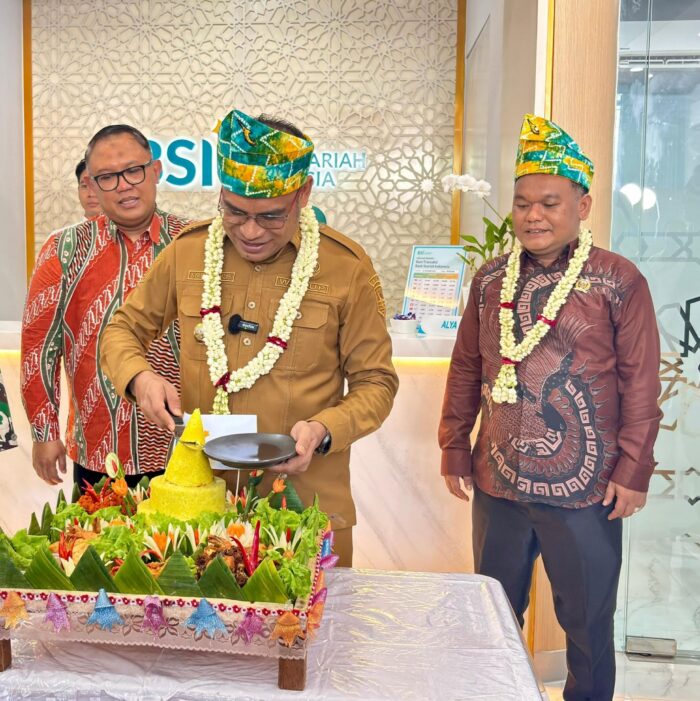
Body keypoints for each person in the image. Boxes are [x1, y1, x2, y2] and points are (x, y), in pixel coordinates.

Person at [100, 109, 398, 566]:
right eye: (235, 212)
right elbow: (122, 330)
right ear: (221, 193)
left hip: (307, 508)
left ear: (303, 194)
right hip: (202, 510)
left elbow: (376, 383)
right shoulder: (188, 252)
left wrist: (323, 431)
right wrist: (140, 378)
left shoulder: (345, 268)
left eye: (271, 216)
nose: (251, 231)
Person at [439, 115, 662, 701]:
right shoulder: (490, 280)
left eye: (549, 203)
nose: (532, 215)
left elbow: (641, 384)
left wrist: (634, 469)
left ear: (582, 206)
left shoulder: (618, 281)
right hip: (498, 484)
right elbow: (466, 369)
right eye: (522, 204)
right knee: (492, 618)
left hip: (588, 494)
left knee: (587, 627)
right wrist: (454, 447)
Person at [21, 125, 189, 488]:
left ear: (155, 171)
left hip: (185, 445)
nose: (123, 185)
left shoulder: (192, 243)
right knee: (96, 528)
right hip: (100, 447)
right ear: (92, 186)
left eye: (133, 171)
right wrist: (43, 432)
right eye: (107, 177)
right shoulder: (65, 249)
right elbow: (39, 346)